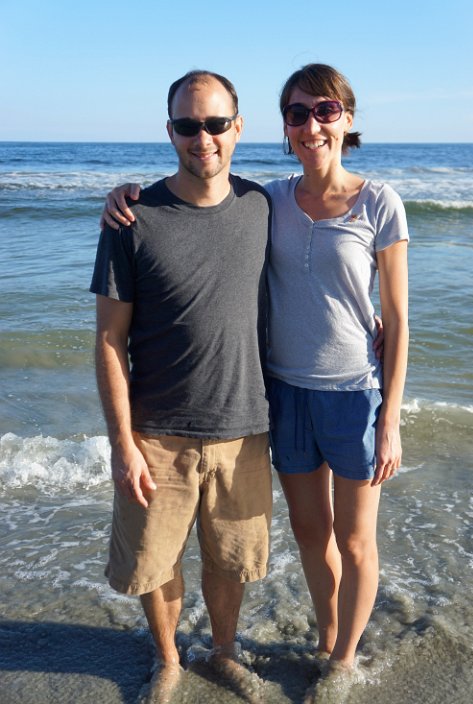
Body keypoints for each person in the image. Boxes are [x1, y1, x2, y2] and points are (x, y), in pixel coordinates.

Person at [102, 63, 408, 692]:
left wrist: (390, 412)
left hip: (308, 405)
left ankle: (327, 659)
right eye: (297, 113)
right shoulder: (247, 202)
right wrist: (123, 194)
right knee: (282, 539)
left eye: (325, 110)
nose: (311, 124)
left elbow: (387, 313)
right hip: (245, 404)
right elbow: (114, 333)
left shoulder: (328, 202)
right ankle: (209, 656)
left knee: (311, 546)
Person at [90, 70, 272, 701]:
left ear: (238, 128)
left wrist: (373, 318)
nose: (204, 138)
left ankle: (223, 652)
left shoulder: (264, 206)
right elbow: (109, 339)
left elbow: (328, 250)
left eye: (216, 124)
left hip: (244, 428)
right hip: (156, 434)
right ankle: (167, 659)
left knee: (231, 560)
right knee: (154, 561)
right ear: (170, 131)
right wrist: (122, 443)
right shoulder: (131, 218)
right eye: (189, 125)